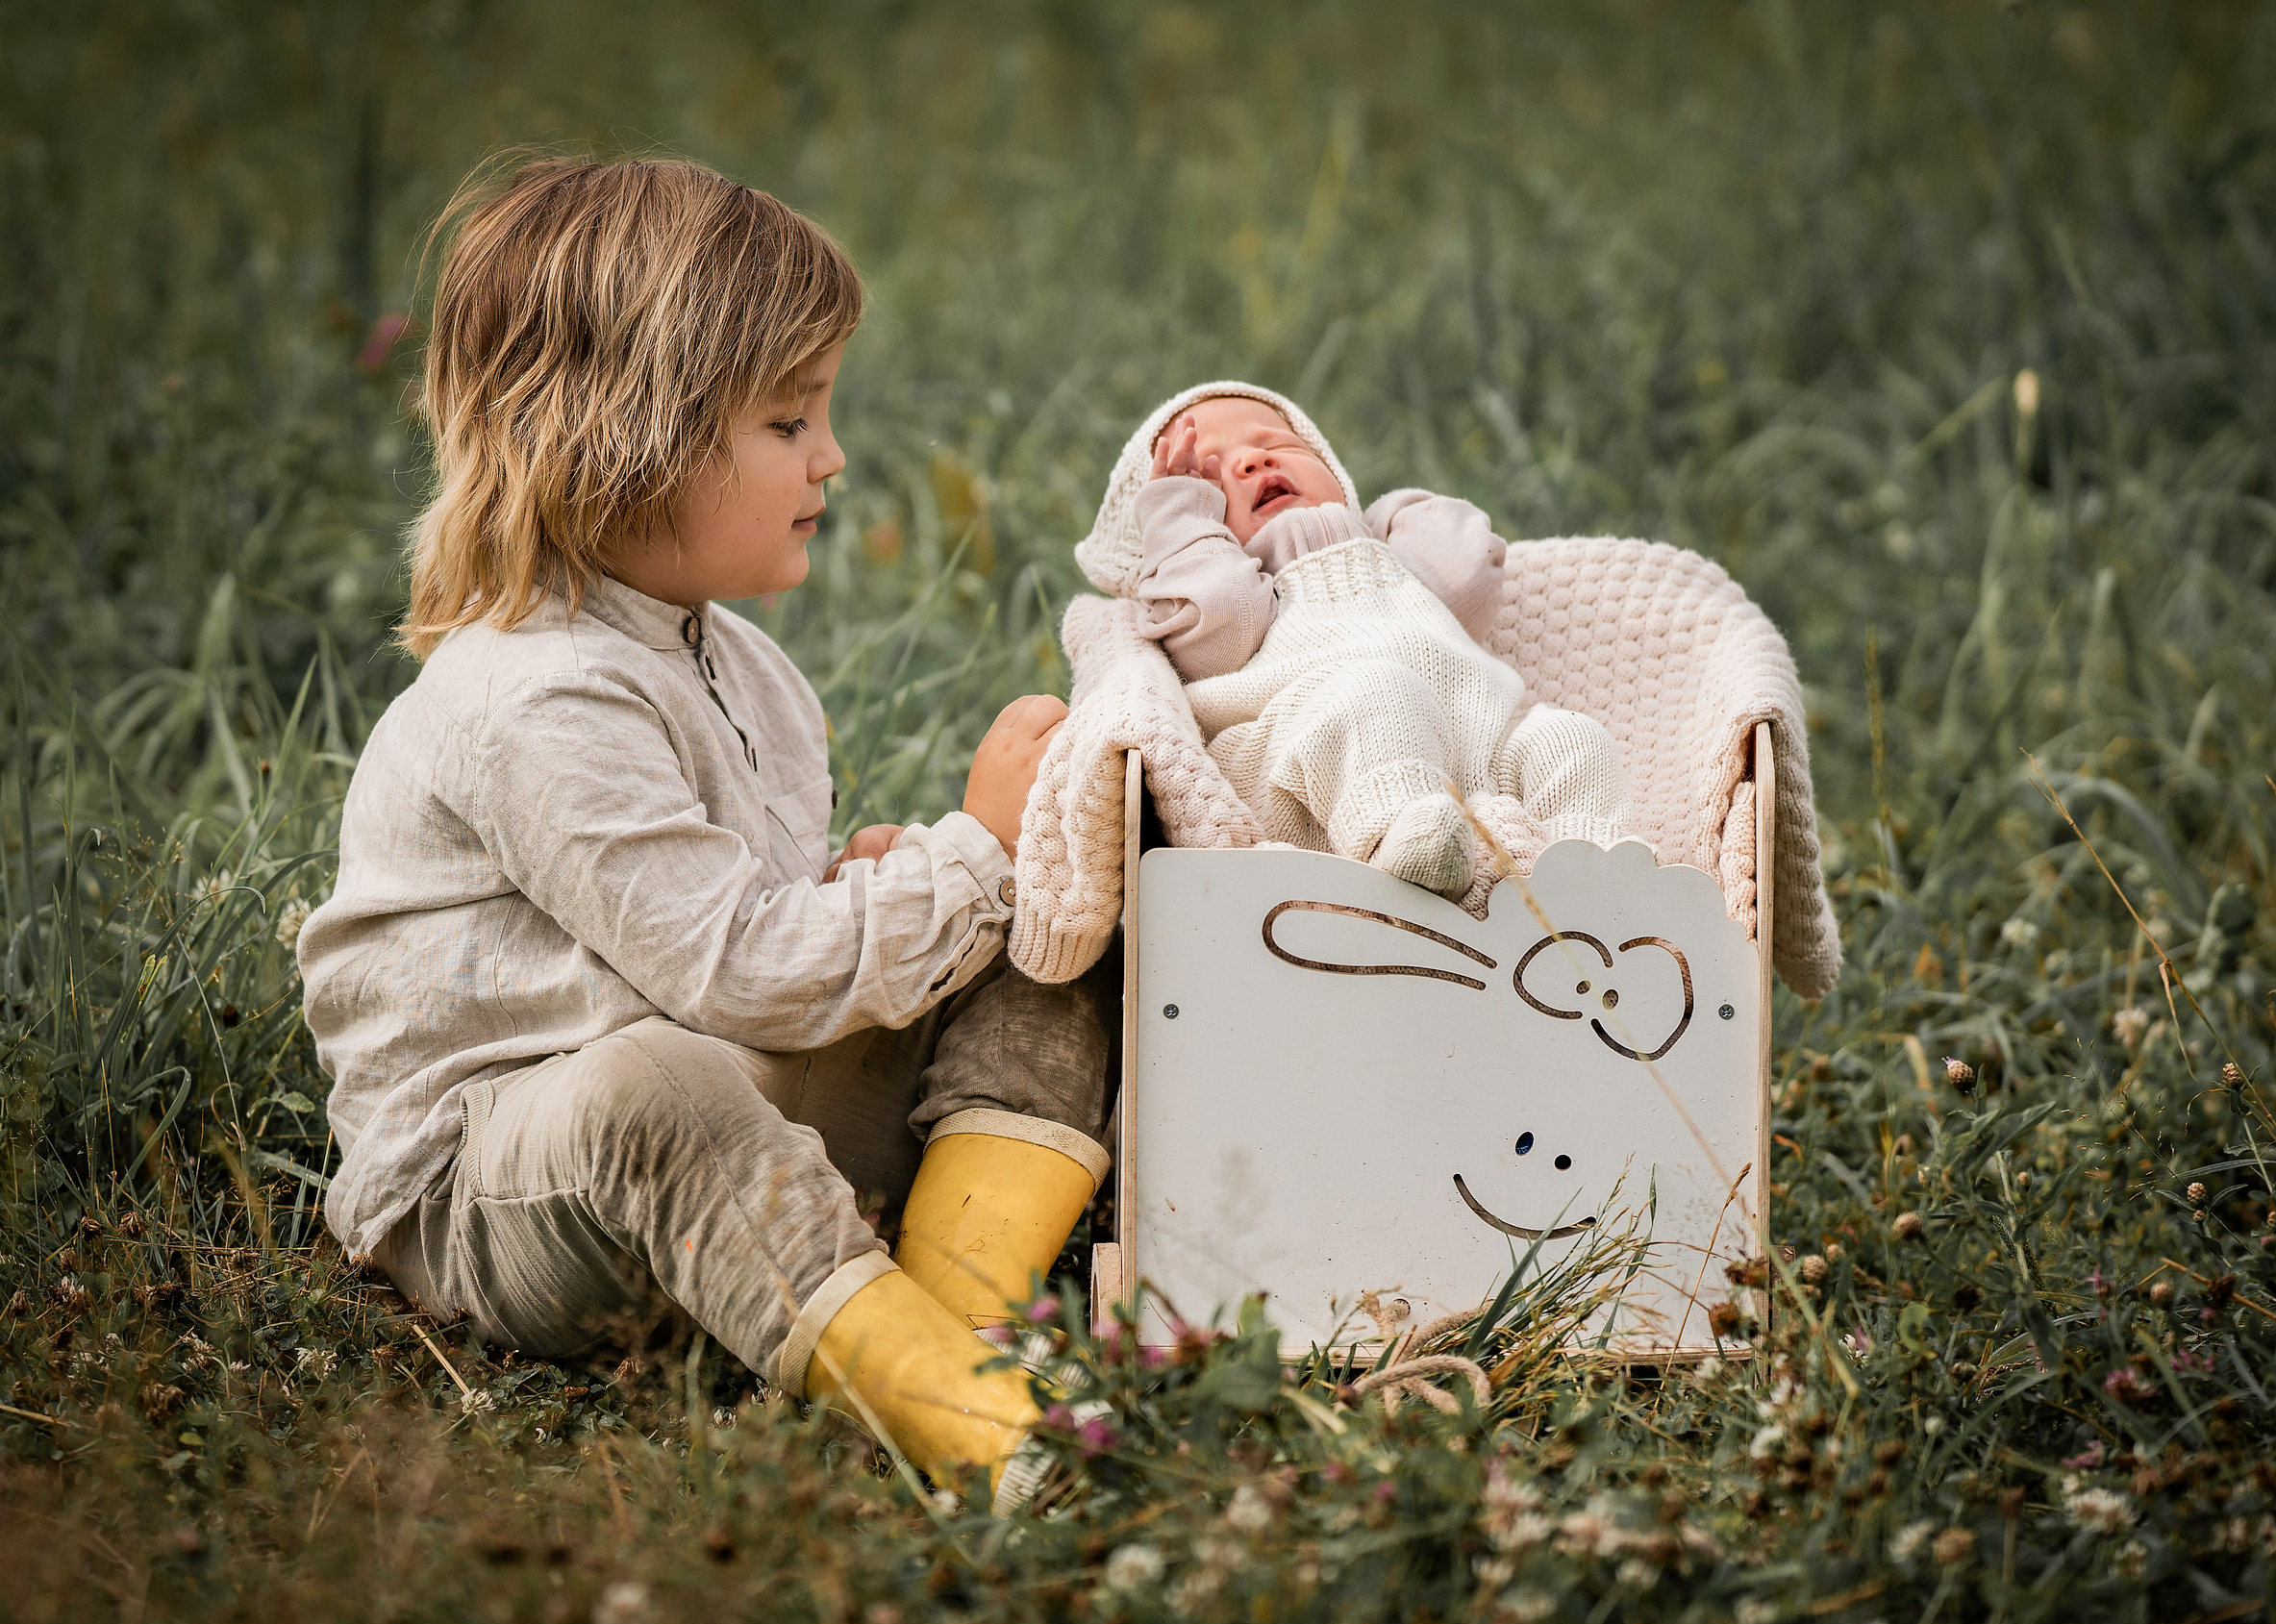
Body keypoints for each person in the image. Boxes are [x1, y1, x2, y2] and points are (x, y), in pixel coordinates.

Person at [298, 157, 1106, 1512]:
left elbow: (747, 931)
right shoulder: (531, 694)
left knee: (1049, 931)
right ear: (623, 442)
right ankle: (977, 1427)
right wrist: (967, 849)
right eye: (788, 421)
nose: (833, 458)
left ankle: (953, 1311)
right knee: (655, 1080)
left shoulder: (741, 665)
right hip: (518, 1192)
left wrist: (897, 894)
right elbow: (733, 974)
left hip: (735, 1129)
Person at [1074, 382, 1631, 899]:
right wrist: (1184, 525)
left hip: (1471, 749)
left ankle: (1599, 884)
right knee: (1376, 690)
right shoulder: (1237, 595)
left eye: (1280, 445)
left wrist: (1384, 516)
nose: (1254, 460)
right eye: (1208, 474)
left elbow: (1470, 573)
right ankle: (1403, 839)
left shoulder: (1395, 561)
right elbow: (1217, 616)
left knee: (1569, 738)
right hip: (1304, 774)